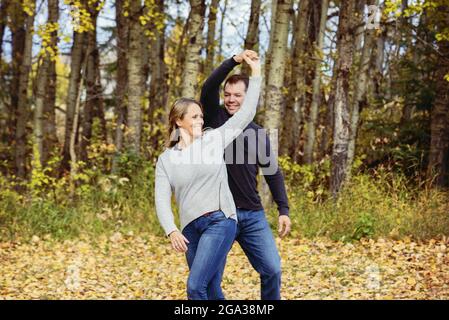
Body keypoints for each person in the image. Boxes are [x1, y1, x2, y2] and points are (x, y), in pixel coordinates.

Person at [155, 53, 262, 300]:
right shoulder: (166, 159)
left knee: (195, 287)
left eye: (201, 116)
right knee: (211, 289)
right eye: (195, 116)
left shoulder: (214, 139)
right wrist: (171, 230)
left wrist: (255, 73)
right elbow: (161, 199)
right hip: (190, 230)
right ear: (179, 121)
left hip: (220, 221)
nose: (201, 120)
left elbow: (246, 114)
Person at [200, 50, 291, 300]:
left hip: (252, 214)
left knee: (272, 269)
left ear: (247, 98)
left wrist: (283, 209)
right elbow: (209, 86)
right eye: (227, 95)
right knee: (209, 279)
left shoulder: (258, 133)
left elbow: (272, 173)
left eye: (237, 95)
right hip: (219, 214)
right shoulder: (213, 118)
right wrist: (234, 60)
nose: (231, 100)